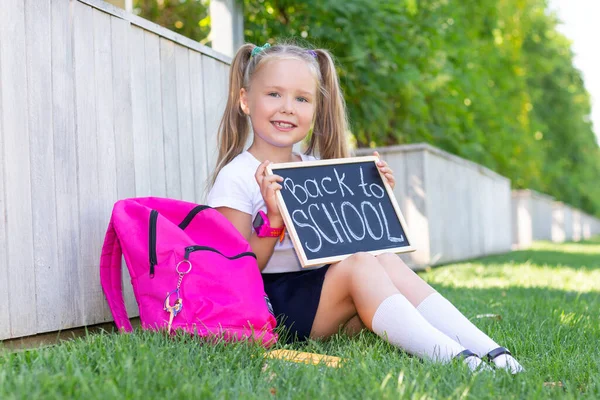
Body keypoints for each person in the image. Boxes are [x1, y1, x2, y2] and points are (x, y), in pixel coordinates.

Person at [207, 42, 524, 374]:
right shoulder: (237, 177)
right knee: (359, 264)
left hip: (317, 290)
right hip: (272, 306)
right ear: (245, 99)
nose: (287, 108)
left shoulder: (314, 168)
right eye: (274, 94)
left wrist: (375, 193)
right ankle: (453, 358)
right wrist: (274, 220)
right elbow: (234, 270)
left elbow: (340, 244)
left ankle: (489, 350)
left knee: (383, 258)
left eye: (301, 99)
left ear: (315, 109)